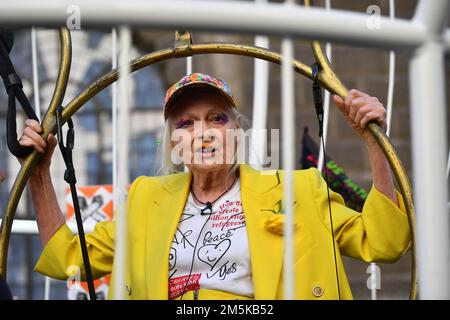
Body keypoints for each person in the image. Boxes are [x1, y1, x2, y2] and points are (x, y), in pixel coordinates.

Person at [19, 73, 409, 300]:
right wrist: (39, 176)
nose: (202, 133)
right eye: (186, 124)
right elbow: (67, 258)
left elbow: (384, 242)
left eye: (216, 119)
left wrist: (374, 142)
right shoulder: (145, 199)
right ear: (173, 142)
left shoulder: (299, 189)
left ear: (238, 131)